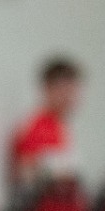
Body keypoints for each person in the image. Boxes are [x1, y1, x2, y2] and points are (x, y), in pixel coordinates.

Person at [10, 56, 82, 191]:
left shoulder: (58, 127)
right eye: (63, 90)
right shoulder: (38, 128)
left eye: (73, 90)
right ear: (47, 89)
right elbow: (26, 177)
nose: (69, 97)